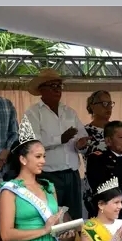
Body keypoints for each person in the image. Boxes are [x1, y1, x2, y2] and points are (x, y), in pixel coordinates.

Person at [24, 68, 89, 221]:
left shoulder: (69, 112)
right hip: (48, 175)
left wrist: (81, 144)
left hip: (72, 174)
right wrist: (60, 139)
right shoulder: (33, 113)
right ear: (41, 89)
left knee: (75, 220)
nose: (57, 90)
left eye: (59, 86)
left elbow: (82, 136)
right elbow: (32, 143)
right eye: (53, 86)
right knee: (52, 219)